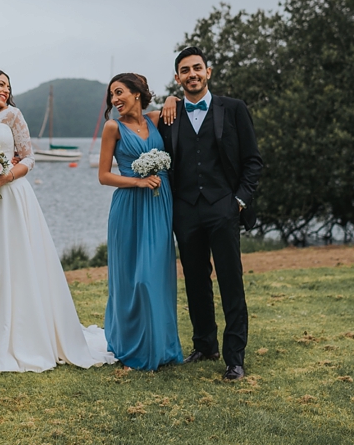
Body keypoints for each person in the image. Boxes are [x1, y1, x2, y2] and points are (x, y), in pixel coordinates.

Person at [0, 68, 115, 372]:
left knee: (16, 261)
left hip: (12, 197)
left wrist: (5, 175)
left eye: (9, 86)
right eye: (1, 84)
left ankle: (25, 332)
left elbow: (28, 158)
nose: (6, 90)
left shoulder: (12, 115)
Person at [156, 46, 263, 381]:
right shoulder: (169, 116)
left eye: (197, 68)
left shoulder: (232, 109)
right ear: (177, 78)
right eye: (185, 70)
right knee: (196, 282)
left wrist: (239, 201)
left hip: (223, 207)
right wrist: (169, 101)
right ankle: (204, 345)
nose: (192, 74)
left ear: (208, 72)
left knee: (231, 281)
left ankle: (235, 357)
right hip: (185, 211)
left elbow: (253, 161)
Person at [96, 73, 184, 371]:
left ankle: (162, 346)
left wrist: (172, 97)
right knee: (132, 278)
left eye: (119, 92)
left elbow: (181, 106)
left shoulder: (157, 120)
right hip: (129, 206)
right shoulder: (113, 128)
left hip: (160, 203)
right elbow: (104, 176)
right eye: (111, 95)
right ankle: (130, 346)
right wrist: (137, 182)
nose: (114, 100)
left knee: (156, 275)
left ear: (137, 93)